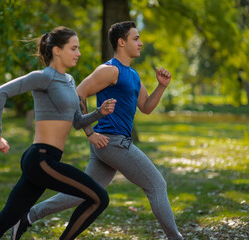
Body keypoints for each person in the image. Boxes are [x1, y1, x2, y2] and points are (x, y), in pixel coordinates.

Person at [12, 21, 184, 240]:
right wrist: (90, 132)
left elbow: (147, 107)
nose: (141, 43)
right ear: (121, 42)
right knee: (157, 184)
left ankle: (25, 217)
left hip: (109, 146)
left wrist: (162, 86)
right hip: (113, 143)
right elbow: (78, 93)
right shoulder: (109, 70)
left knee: (79, 195)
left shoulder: (132, 75)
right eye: (136, 38)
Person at [0, 26, 117, 240]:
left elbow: (77, 123)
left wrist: (99, 112)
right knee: (99, 198)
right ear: (57, 50)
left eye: (78, 48)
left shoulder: (70, 81)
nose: (78, 53)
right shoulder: (43, 77)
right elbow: (0, 92)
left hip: (46, 160)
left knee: (7, 218)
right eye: (73, 48)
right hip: (41, 159)